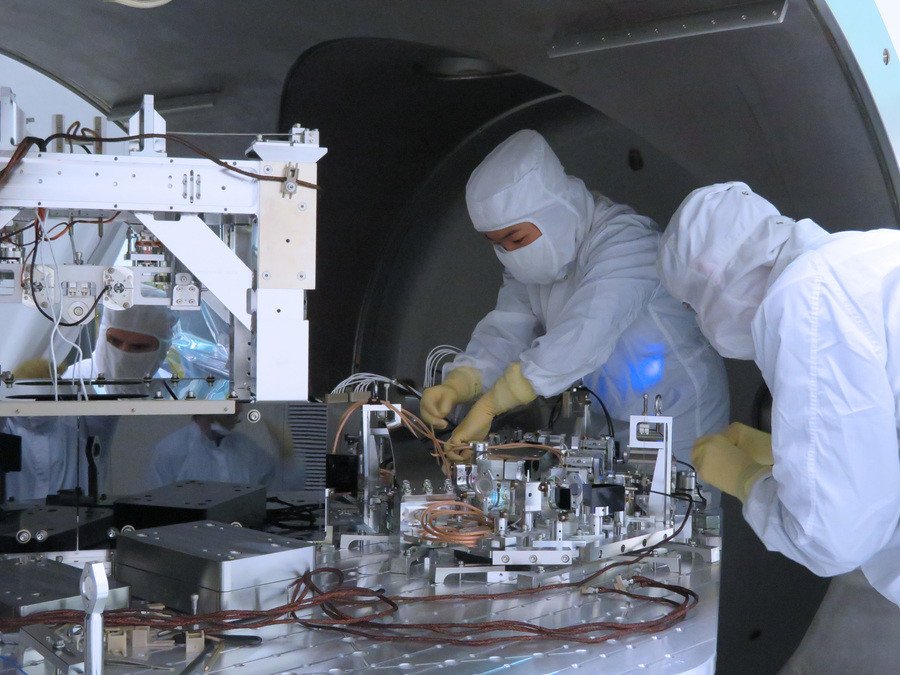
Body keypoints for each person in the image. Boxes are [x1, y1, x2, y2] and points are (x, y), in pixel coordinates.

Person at [657, 181, 900, 608]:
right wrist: (793, 458)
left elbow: (836, 536)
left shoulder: (808, 299)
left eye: (693, 307)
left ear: (715, 277)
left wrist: (749, 481)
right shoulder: (867, 255)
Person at [420, 129, 729, 464]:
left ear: (550, 212)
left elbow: (585, 332)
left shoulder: (626, 242)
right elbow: (507, 329)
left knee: (675, 496)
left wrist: (493, 403)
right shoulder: (531, 265)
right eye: (497, 244)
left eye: (516, 239)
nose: (509, 253)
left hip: (674, 411)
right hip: (604, 416)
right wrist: (462, 382)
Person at [2, 301, 177, 502]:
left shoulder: (173, 395)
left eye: (138, 347)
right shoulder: (73, 381)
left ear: (163, 348)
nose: (123, 354)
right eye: (115, 341)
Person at [146, 412, 278, 489]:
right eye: (232, 400)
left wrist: (285, 455)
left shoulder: (246, 448)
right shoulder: (171, 451)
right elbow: (158, 511)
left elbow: (276, 486)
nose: (239, 409)